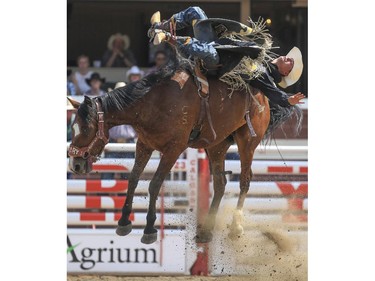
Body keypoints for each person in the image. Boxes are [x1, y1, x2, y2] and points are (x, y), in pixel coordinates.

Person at [148, 6, 305, 107]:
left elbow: (273, 92)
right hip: (216, 44)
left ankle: (166, 36)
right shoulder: (260, 52)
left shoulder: (263, 74)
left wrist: (287, 100)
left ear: (285, 73)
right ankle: (160, 27)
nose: (289, 58)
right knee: (196, 11)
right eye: (291, 58)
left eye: (291, 63)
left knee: (209, 52)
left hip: (216, 66)